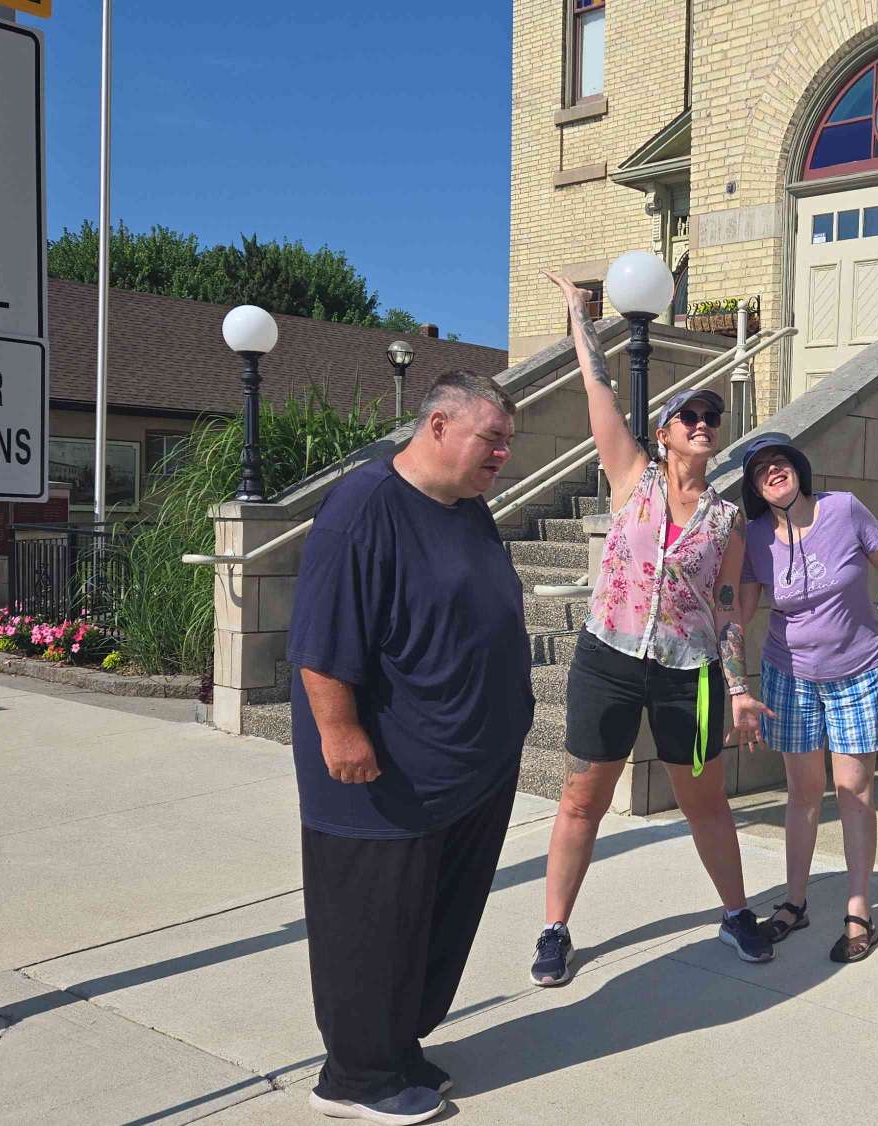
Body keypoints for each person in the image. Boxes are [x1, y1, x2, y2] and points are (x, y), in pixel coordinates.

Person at [287, 370, 534, 1125]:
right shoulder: (362, 509)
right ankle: (355, 1078)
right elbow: (321, 645)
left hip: (466, 770)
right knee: (371, 925)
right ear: (436, 426)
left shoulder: (468, 511)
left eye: (506, 444)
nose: (502, 456)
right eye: (491, 439)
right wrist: (340, 730)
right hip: (386, 773)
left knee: (432, 921)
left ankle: (396, 1048)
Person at [531, 270, 774, 987]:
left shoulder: (729, 520)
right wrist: (579, 315)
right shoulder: (630, 476)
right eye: (688, 418)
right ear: (664, 434)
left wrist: (737, 689)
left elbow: (728, 611)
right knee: (584, 797)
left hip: (687, 674)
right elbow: (598, 390)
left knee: (703, 800)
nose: (702, 426)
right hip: (606, 658)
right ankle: (554, 927)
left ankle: (735, 913)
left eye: (711, 419)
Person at [734, 434, 878, 963]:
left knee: (853, 789)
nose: (773, 471)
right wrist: (731, 679)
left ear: (798, 470)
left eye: (780, 462)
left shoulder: (844, 509)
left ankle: (858, 911)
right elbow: (737, 612)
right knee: (803, 792)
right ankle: (795, 901)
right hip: (790, 675)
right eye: (761, 470)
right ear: (757, 490)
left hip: (857, 668)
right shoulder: (756, 536)